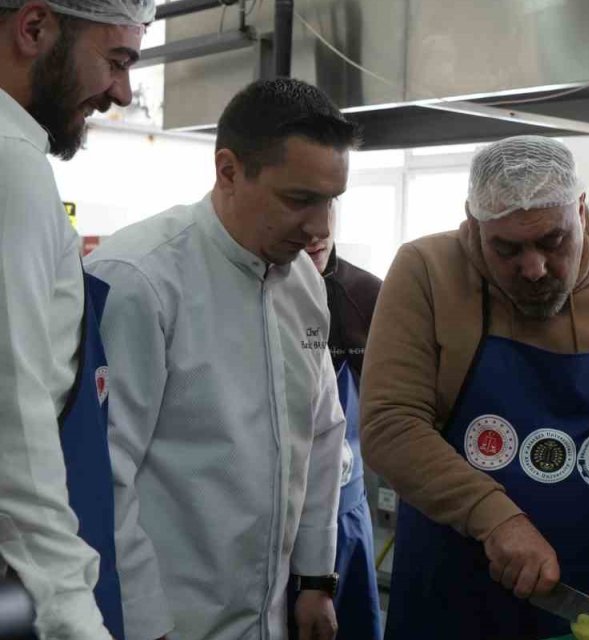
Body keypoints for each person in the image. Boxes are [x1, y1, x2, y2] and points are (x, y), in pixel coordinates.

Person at [362, 134, 589, 639]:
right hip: (448, 590)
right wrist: (496, 518)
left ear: (581, 209)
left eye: (553, 241)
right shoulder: (427, 272)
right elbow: (390, 424)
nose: (534, 269)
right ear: (472, 223)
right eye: (506, 249)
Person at [85, 78, 357, 640]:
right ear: (228, 171)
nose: (321, 227)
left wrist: (314, 578)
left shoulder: (301, 279)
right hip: (167, 621)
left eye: (331, 200)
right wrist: (145, 625)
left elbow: (322, 435)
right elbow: (102, 476)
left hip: (270, 616)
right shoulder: (139, 280)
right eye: (299, 199)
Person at [0, 1, 151, 637]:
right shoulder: (11, 167)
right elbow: (13, 404)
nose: (120, 92)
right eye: (115, 60)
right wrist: (69, 611)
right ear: (34, 29)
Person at [299, 220, 384, 640]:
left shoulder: (367, 295)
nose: (317, 229)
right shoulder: (242, 294)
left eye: (326, 204)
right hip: (277, 515)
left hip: (348, 508)